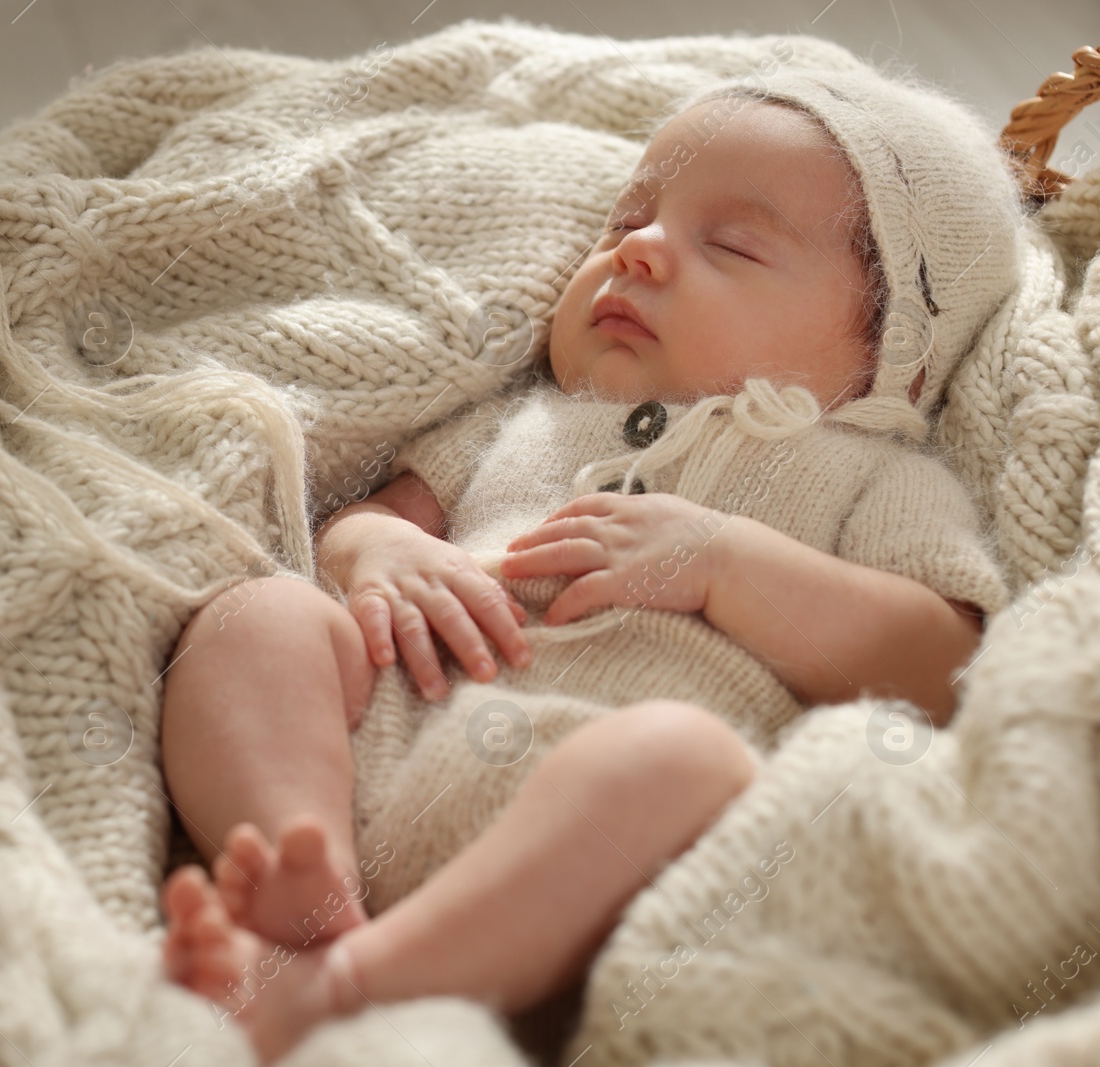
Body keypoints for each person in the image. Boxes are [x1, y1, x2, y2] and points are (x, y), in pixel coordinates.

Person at [155, 62, 1023, 1064]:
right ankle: (300, 875)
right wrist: (380, 547)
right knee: (254, 612)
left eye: (732, 244)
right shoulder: (521, 419)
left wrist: (727, 563)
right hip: (387, 743)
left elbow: (945, 667)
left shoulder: (868, 473)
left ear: (895, 355)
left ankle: (358, 979)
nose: (639, 251)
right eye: (623, 224)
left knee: (683, 756)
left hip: (596, 838)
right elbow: (359, 528)